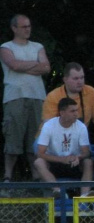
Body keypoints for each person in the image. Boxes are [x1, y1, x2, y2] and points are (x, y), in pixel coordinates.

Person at [0, 14, 51, 181]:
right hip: (15, 97)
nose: (28, 29)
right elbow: (13, 64)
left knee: (35, 139)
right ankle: (8, 176)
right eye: (23, 26)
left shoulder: (38, 46)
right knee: (13, 138)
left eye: (29, 26)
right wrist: (34, 64)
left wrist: (23, 66)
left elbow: (46, 68)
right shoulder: (6, 47)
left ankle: (36, 176)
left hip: (37, 97)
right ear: (14, 28)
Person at [34, 97, 94, 196]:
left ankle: (85, 195)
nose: (76, 114)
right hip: (54, 163)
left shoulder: (81, 126)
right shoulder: (49, 125)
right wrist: (62, 159)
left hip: (74, 163)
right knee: (38, 162)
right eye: (72, 111)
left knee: (88, 162)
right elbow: (40, 153)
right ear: (62, 113)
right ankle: (58, 192)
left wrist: (77, 157)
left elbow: (86, 152)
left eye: (77, 110)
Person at [42, 62, 94, 131]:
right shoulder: (53, 96)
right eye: (75, 79)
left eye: (82, 78)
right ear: (65, 80)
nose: (80, 82)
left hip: (79, 137)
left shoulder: (91, 92)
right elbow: (48, 127)